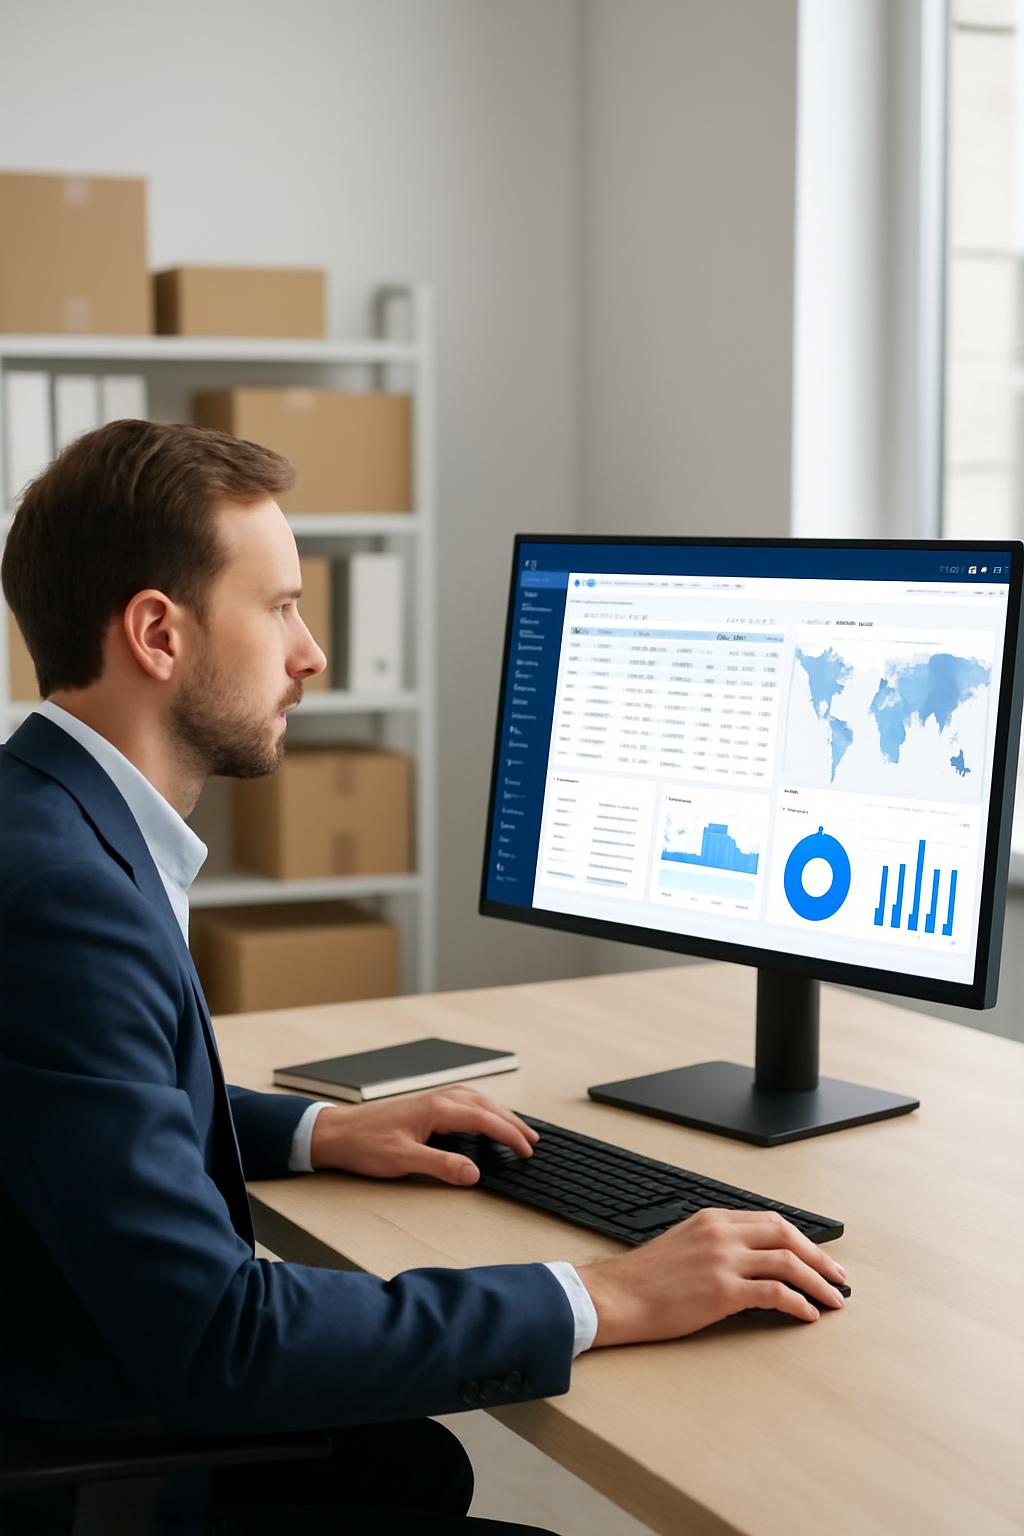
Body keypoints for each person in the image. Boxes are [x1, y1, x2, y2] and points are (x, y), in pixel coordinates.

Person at [0, 421, 848, 1533]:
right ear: (158, 633)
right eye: (280, 606)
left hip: (78, 1385)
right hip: (97, 1467)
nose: (310, 655)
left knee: (407, 1466)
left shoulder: (45, 819)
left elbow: (77, 1107)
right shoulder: (64, 897)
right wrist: (609, 1292)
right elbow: (227, 1342)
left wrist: (315, 1133)